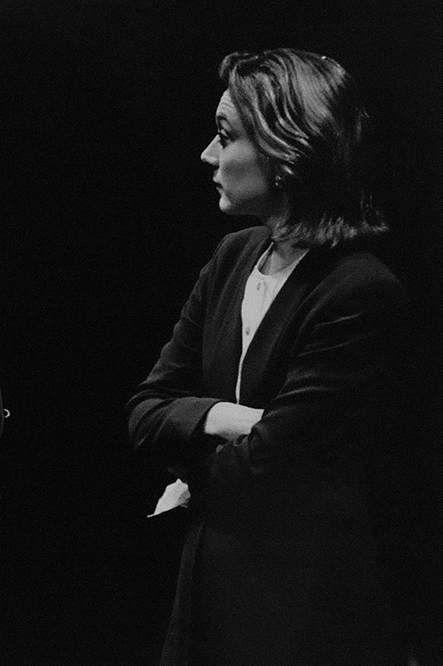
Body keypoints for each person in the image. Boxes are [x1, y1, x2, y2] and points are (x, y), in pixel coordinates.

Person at [126, 49, 412, 666]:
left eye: (226, 136)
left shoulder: (358, 290)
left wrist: (192, 464)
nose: (208, 154)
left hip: (305, 605)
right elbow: (144, 410)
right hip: (210, 589)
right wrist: (229, 419)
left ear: (286, 155)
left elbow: (269, 470)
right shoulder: (233, 256)